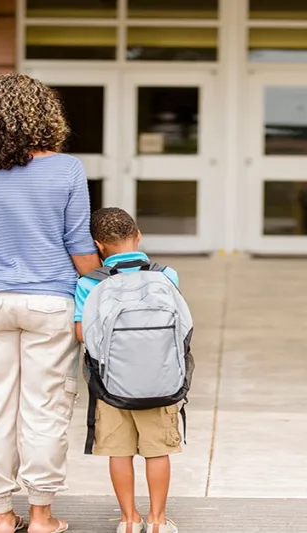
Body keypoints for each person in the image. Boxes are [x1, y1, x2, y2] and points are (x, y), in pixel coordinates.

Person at [0, 73, 102, 533]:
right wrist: (96, 291)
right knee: (46, 407)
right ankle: (41, 516)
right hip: (51, 302)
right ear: (44, 113)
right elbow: (78, 244)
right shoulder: (67, 169)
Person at [74, 207, 183, 533]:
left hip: (112, 384)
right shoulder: (166, 275)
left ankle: (128, 520)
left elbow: (82, 334)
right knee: (158, 451)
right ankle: (158, 521)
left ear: (98, 245)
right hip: (160, 381)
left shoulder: (89, 282)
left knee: (119, 452)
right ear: (138, 236)